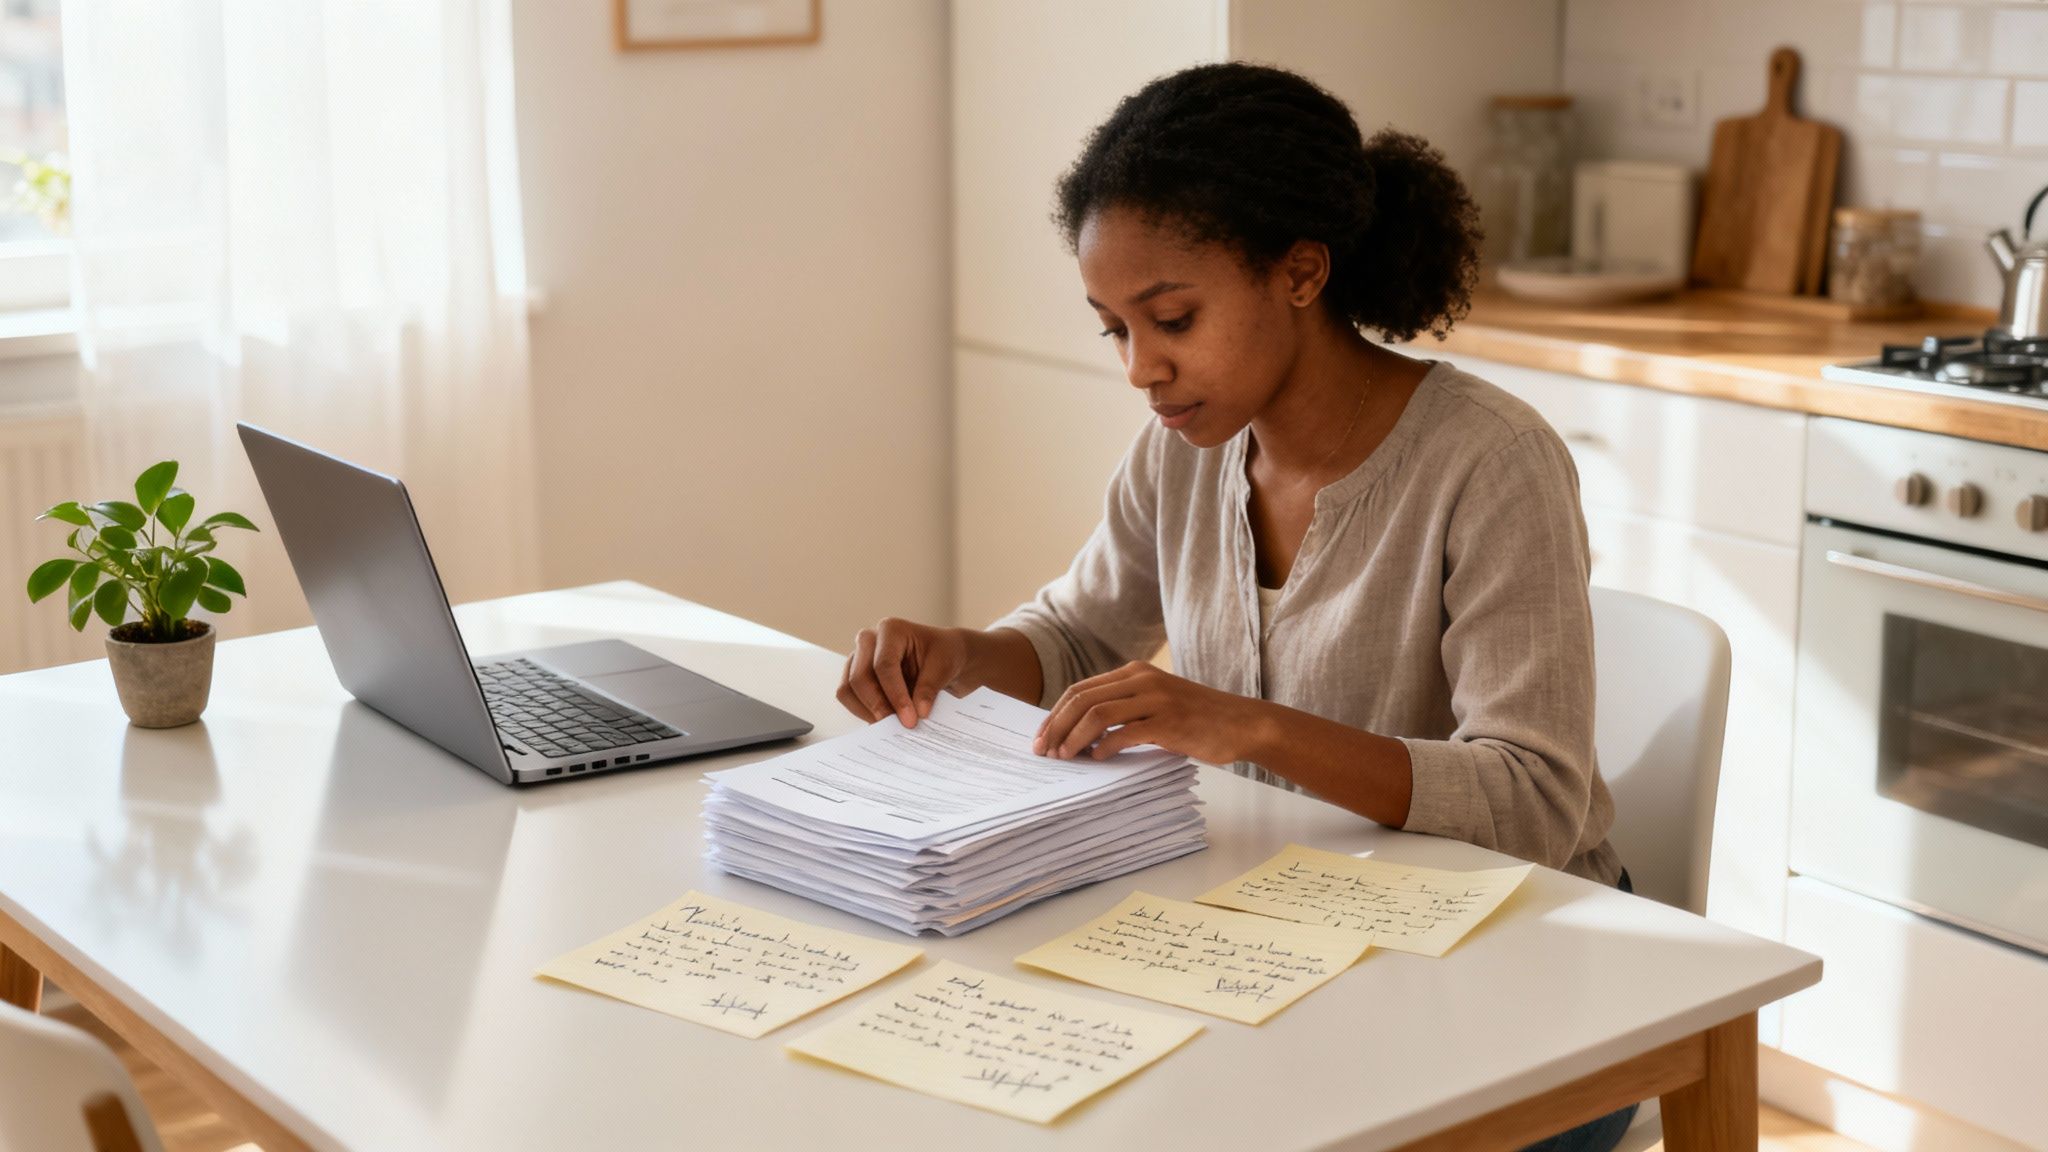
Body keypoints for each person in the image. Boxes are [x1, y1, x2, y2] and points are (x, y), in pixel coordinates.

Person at [838, 61, 1634, 1152]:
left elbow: (1534, 797)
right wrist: (961, 652)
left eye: (1170, 318)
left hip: (1520, 988)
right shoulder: (1185, 452)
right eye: (1113, 329)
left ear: (1299, 273)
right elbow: (1076, 638)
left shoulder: (1490, 463)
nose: (1139, 370)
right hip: (1286, 950)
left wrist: (1247, 727)